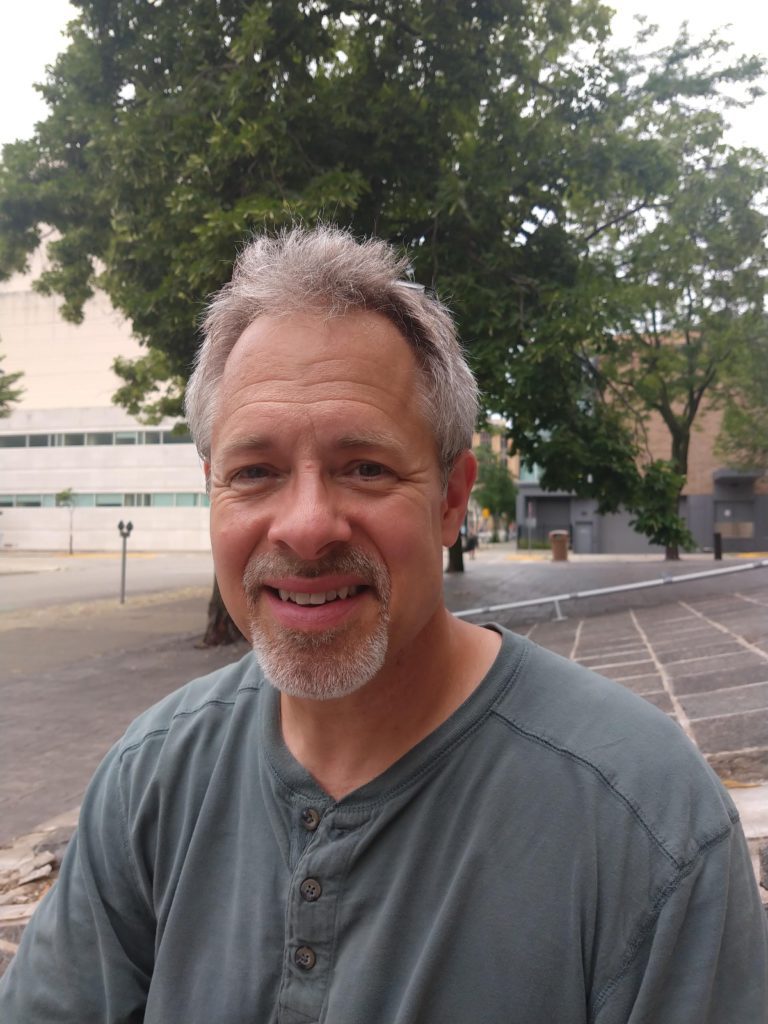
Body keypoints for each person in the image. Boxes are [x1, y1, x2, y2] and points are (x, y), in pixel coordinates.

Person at [1, 226, 766, 1023]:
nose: (304, 526)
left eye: (364, 467)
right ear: (211, 491)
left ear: (451, 498)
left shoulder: (646, 824)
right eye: (254, 472)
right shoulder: (150, 781)